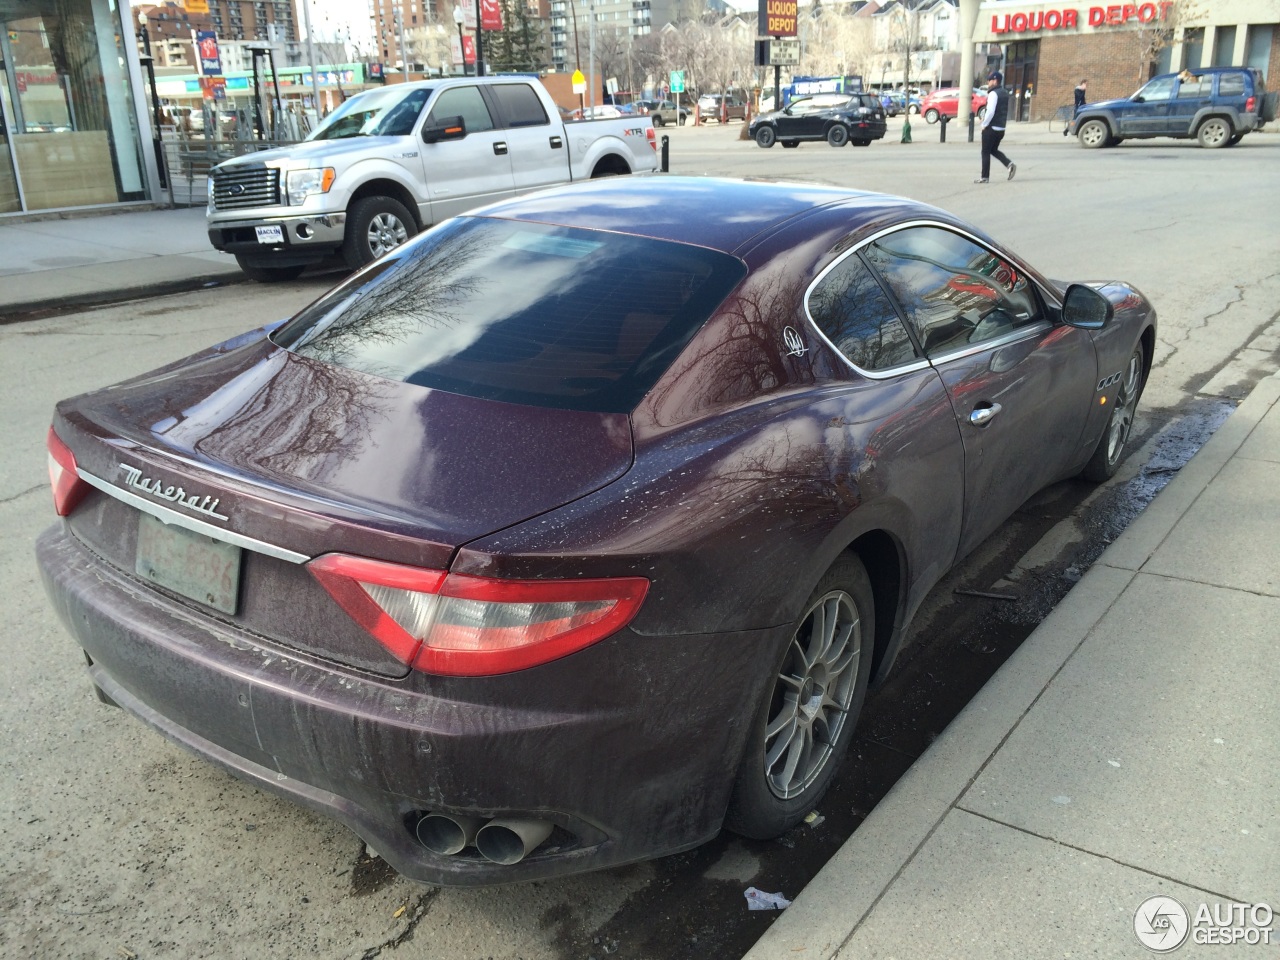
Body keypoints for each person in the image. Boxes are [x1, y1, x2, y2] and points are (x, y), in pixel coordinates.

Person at [975, 71, 1015, 183]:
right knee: (993, 150)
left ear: (995, 80)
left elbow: (991, 111)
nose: (988, 83)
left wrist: (984, 124)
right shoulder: (1004, 93)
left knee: (985, 152)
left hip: (991, 128)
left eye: (990, 80)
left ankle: (984, 177)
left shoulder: (993, 94)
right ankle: (1009, 164)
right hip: (1001, 128)